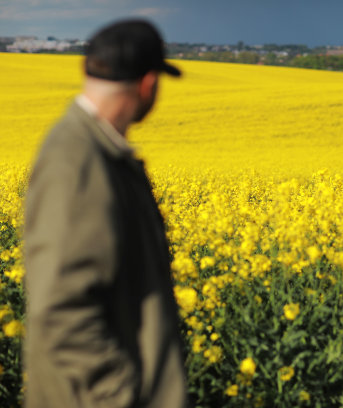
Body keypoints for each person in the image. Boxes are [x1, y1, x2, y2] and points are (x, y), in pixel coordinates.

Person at [24, 19, 188, 408]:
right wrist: (121, 396)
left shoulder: (99, 154)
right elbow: (62, 310)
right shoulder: (79, 162)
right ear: (149, 83)